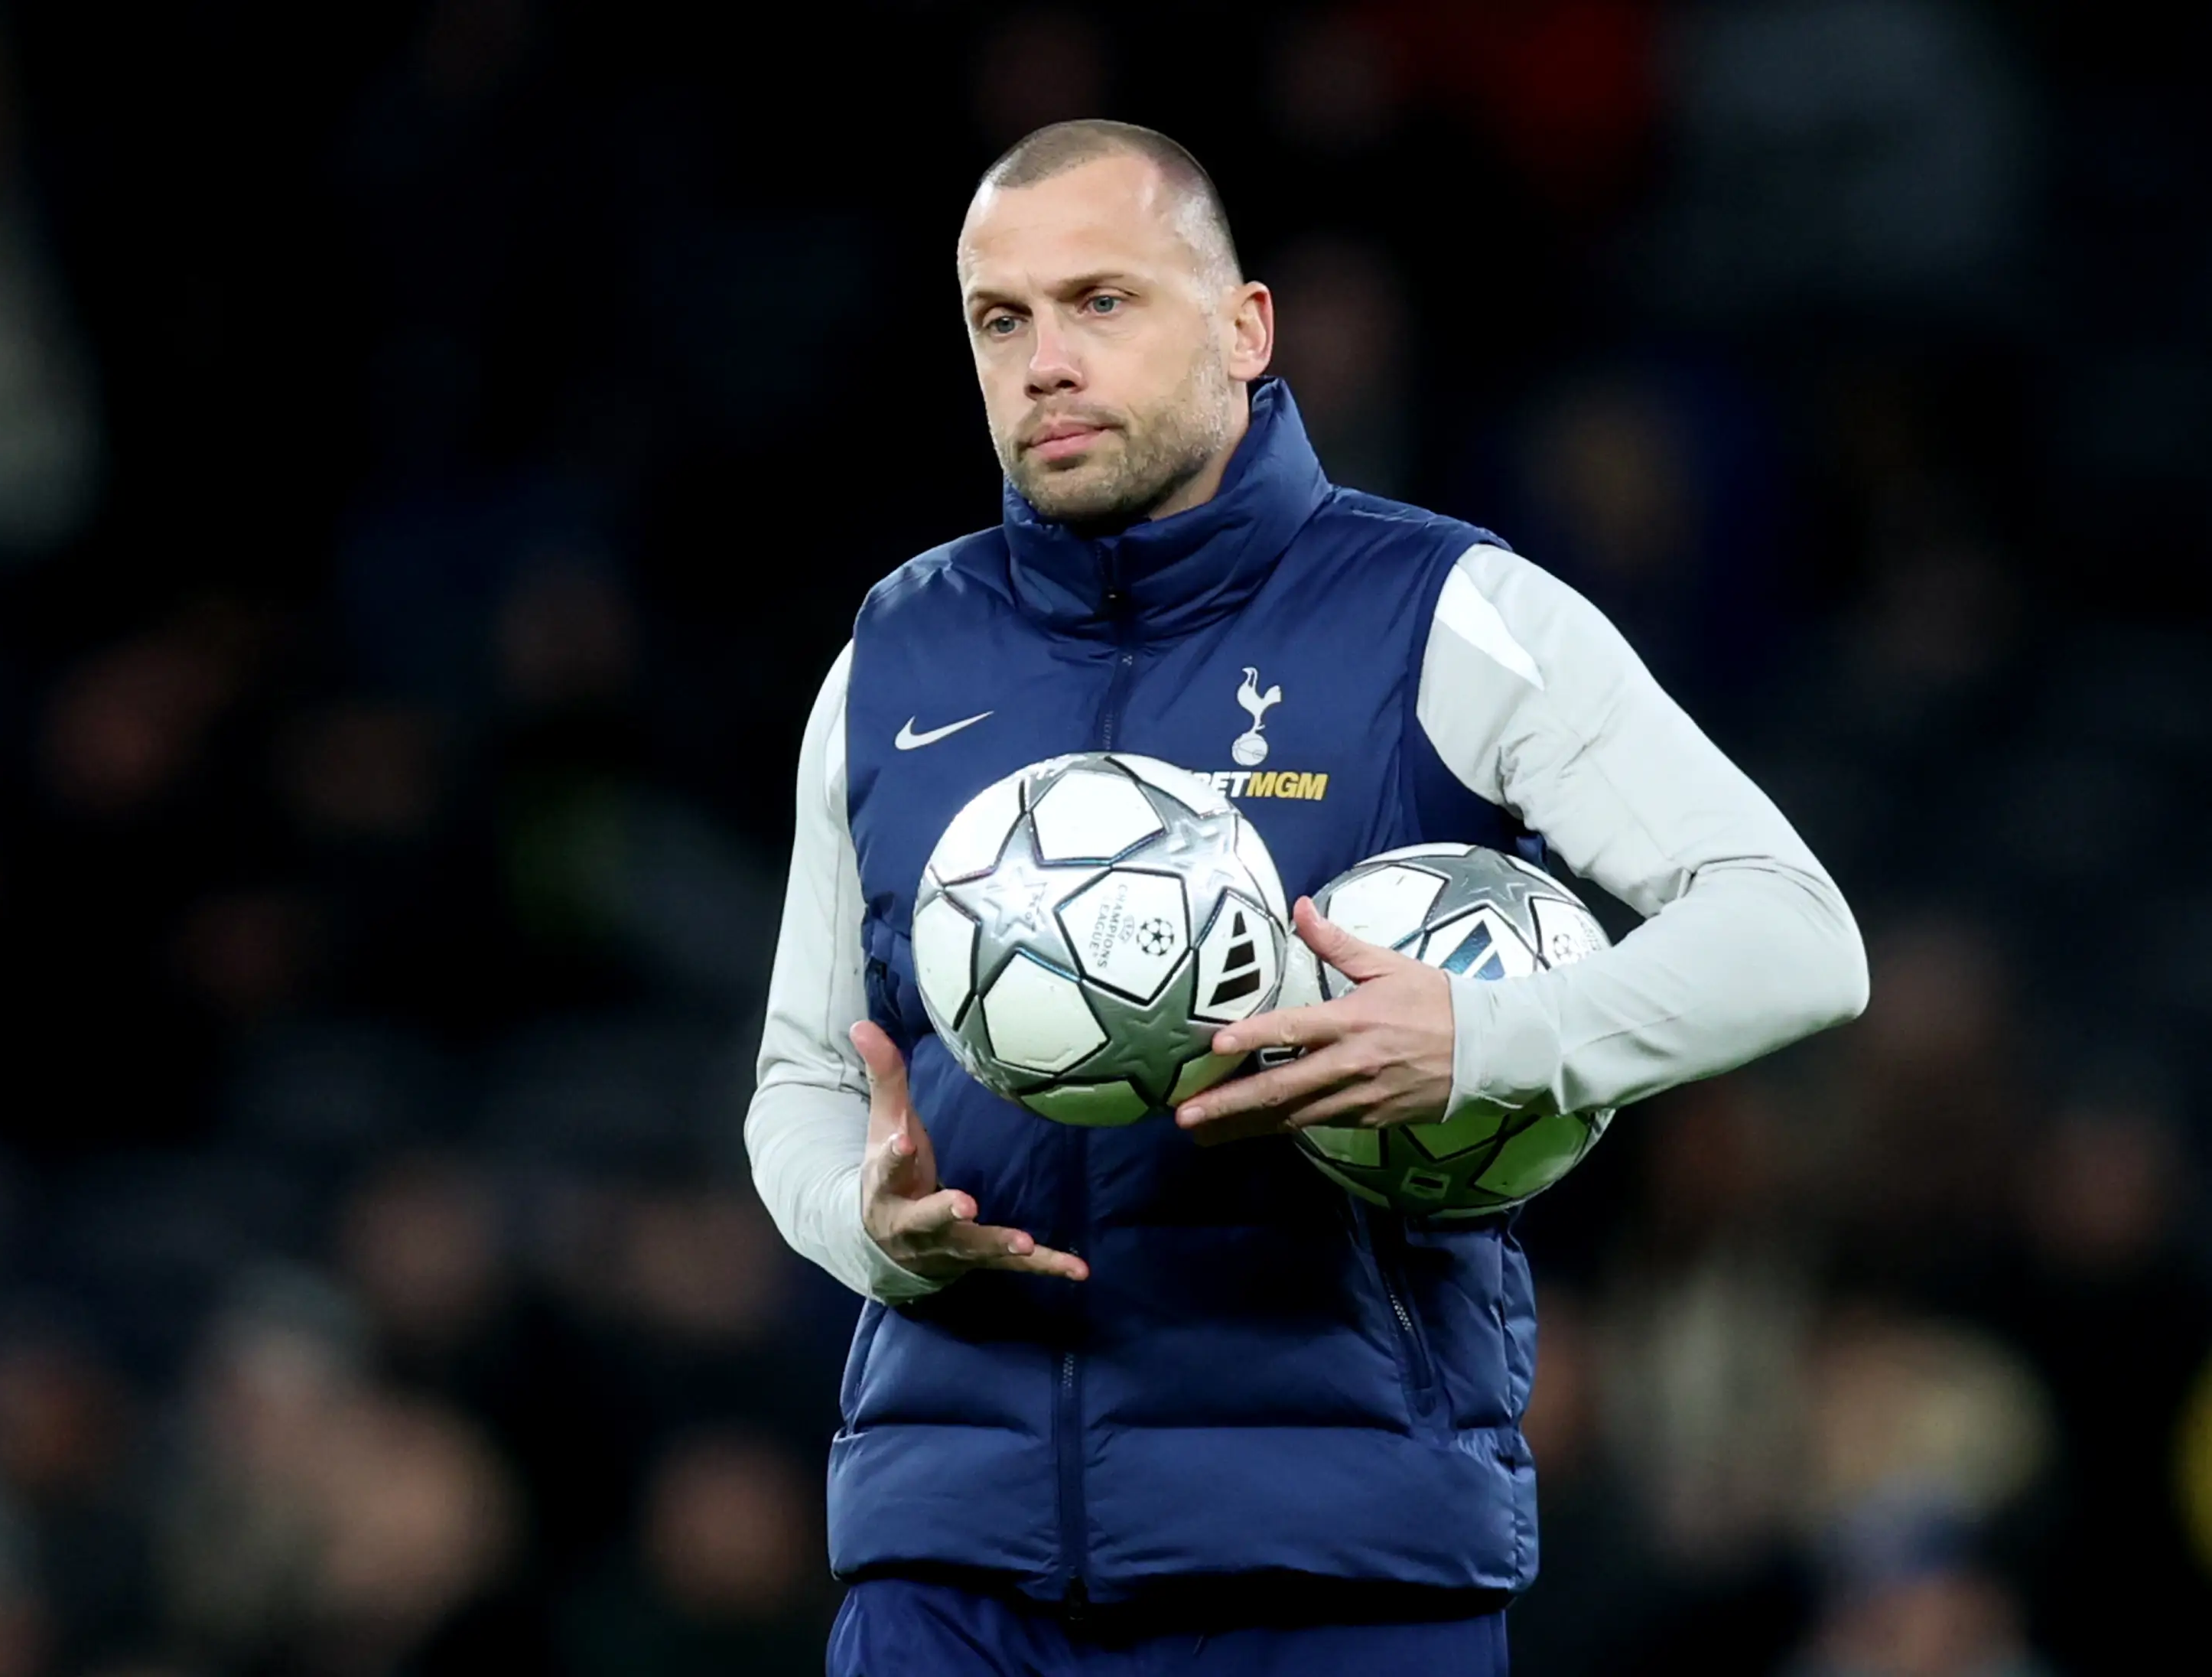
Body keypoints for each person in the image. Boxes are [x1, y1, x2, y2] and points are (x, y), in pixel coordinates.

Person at [745, 119, 1869, 1677]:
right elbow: (802, 1078)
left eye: (1102, 301)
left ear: (1245, 328)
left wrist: (1486, 1040)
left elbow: (1795, 933)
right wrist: (866, 1229)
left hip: (1333, 1571)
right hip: (945, 1575)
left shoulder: (1449, 612)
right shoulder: (894, 656)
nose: (1046, 362)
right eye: (1001, 320)